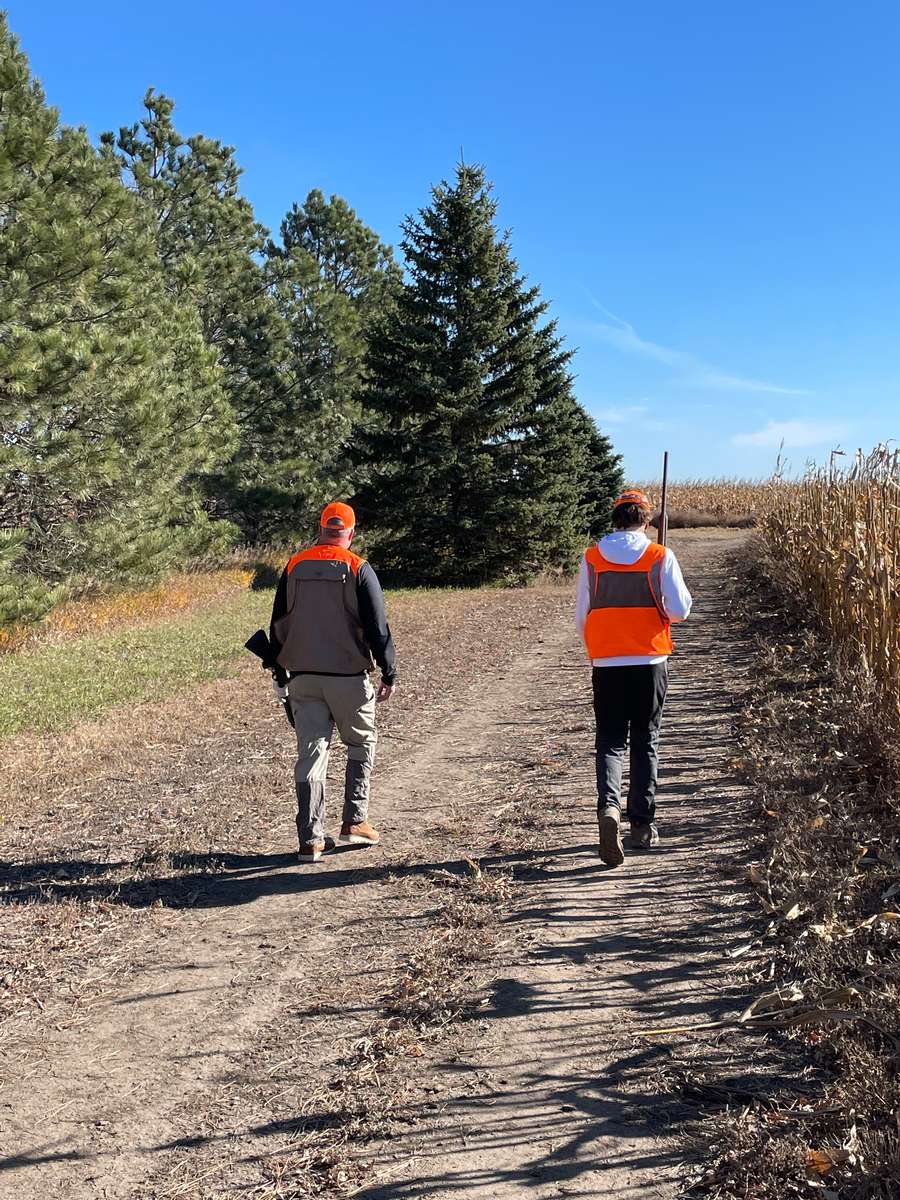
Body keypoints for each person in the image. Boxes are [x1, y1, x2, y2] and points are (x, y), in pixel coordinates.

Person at [268, 502, 397, 862]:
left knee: (311, 754)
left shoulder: (294, 565)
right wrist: (388, 671)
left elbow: (278, 621)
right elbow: (378, 628)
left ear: (322, 529)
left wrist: (280, 669)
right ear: (351, 533)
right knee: (360, 744)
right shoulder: (358, 567)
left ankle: (310, 839)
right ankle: (354, 822)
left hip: (303, 679)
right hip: (348, 678)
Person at [575, 489, 692, 867]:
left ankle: (608, 808)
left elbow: (583, 614)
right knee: (645, 739)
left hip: (607, 662)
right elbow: (680, 610)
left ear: (616, 519)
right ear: (646, 520)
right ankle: (641, 826)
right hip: (650, 659)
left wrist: (600, 648)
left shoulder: (591, 557)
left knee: (609, 741)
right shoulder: (660, 555)